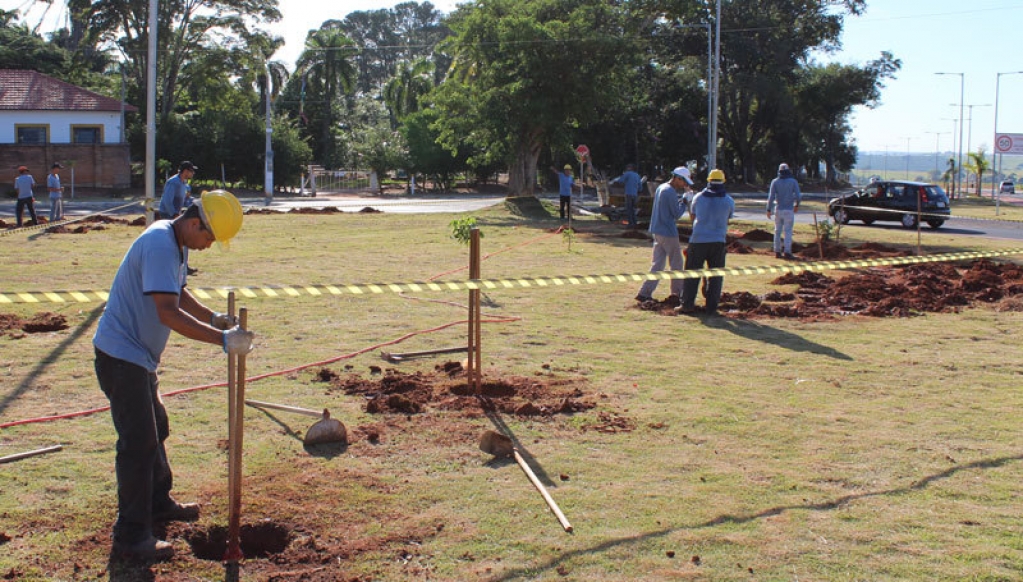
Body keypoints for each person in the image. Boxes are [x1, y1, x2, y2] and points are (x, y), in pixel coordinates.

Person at [93, 190, 254, 561]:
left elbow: (178, 292)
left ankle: (158, 503)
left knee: (157, 428)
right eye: (209, 238)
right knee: (138, 443)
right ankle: (131, 536)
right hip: (121, 357)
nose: (208, 246)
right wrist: (223, 340)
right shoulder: (160, 244)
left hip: (138, 358)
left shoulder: (174, 241)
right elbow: (167, 312)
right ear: (195, 223)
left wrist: (214, 317)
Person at [676, 169, 735, 315]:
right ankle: (712, 307)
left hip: (698, 240)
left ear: (709, 181)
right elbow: (727, 220)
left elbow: (693, 218)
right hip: (718, 241)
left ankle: (687, 304)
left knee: (692, 273)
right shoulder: (728, 200)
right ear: (723, 182)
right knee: (716, 276)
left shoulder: (698, 198)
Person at [635, 167, 693, 305]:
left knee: (657, 265)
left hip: (657, 230)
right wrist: (685, 201)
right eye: (683, 181)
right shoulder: (670, 192)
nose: (684, 185)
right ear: (677, 178)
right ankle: (677, 295)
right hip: (668, 232)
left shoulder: (662, 187)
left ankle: (644, 293)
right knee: (677, 264)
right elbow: (677, 214)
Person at [766, 162, 801, 259]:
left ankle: (777, 251)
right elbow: (798, 196)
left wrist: (768, 209)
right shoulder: (793, 182)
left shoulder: (775, 182)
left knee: (777, 231)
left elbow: (771, 197)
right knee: (788, 231)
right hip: (789, 210)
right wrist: (797, 205)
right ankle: (787, 252)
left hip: (778, 210)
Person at [609, 164, 644, 228]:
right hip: (635, 194)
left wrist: (615, 183)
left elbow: (620, 181)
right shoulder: (637, 175)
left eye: (627, 167)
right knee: (633, 209)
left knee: (629, 209)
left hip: (629, 193)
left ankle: (630, 224)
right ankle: (634, 223)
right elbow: (640, 187)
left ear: (629, 168)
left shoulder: (627, 174)